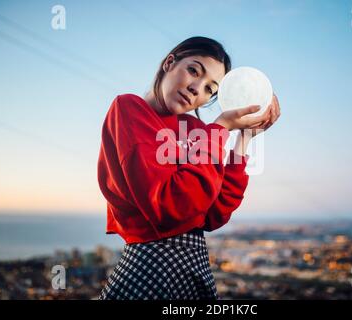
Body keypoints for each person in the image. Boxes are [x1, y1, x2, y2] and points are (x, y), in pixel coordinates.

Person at [97, 36, 281, 300]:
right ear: (169, 63)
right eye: (194, 71)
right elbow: (170, 206)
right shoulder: (129, 108)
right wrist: (220, 129)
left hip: (195, 265)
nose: (198, 89)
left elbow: (215, 214)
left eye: (210, 89)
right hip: (150, 268)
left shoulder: (195, 130)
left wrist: (245, 138)